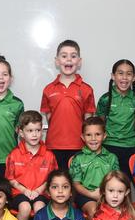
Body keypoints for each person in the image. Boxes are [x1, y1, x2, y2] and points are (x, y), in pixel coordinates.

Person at [40, 39, 96, 170]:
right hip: (53, 146)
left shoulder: (87, 89)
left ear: (79, 61)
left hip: (79, 146)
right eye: (64, 56)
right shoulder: (48, 89)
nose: (69, 60)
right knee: (56, 184)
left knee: (76, 185)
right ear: (57, 61)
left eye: (73, 56)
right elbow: (49, 117)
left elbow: (88, 121)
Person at [5, 110, 58, 220]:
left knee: (40, 207)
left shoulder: (49, 155)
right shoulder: (14, 154)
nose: (34, 134)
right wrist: (24, 190)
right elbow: (10, 179)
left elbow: (52, 179)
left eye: (38, 130)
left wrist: (38, 190)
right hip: (19, 193)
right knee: (25, 207)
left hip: (41, 193)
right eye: (30, 131)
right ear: (21, 132)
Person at [96, 59, 135, 177]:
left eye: (129, 74)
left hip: (129, 147)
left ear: (134, 77)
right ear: (113, 76)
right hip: (108, 146)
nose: (124, 77)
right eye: (120, 73)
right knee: (108, 182)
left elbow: (134, 122)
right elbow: (101, 123)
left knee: (126, 181)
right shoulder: (105, 99)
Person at [70, 116, 119, 218]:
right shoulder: (78, 158)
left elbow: (116, 182)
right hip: (86, 195)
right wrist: (92, 194)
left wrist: (106, 194)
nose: (93, 139)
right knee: (94, 212)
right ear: (83, 137)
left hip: (108, 195)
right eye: (88, 135)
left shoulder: (112, 157)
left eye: (97, 134)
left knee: (119, 213)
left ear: (104, 136)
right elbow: (76, 184)